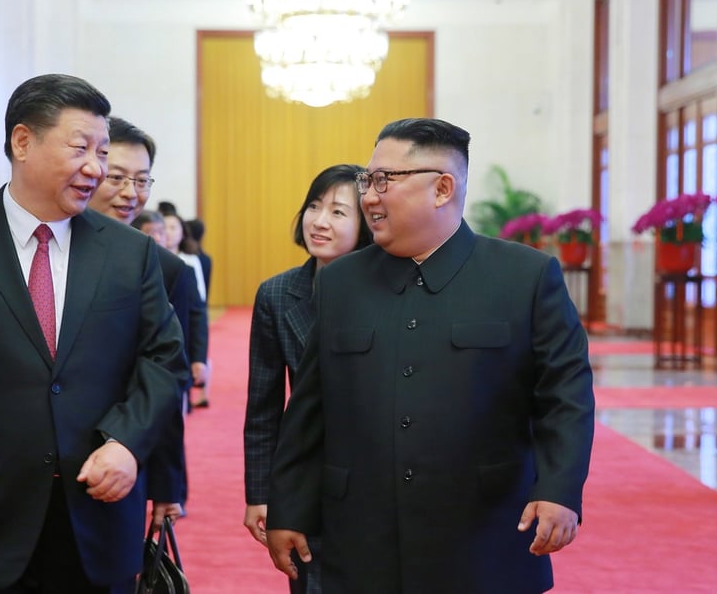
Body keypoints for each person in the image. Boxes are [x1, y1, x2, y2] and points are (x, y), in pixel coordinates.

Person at [0, 73, 188, 593]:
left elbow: (164, 361)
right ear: (23, 142)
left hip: (96, 515)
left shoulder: (129, 253)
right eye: (80, 148)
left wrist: (127, 442)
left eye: (102, 151)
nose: (96, 167)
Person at [265, 118, 595, 594]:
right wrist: (289, 507)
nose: (370, 197)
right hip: (363, 535)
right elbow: (311, 407)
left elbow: (566, 397)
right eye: (367, 180)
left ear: (442, 189)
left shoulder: (524, 276)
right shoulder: (340, 282)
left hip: (485, 533)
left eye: (384, 180)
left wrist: (559, 491)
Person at [243, 163, 372, 594]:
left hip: (382, 477)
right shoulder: (278, 295)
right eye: (314, 206)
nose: (318, 221)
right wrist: (260, 494)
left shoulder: (391, 292)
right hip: (310, 478)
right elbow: (263, 408)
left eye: (338, 212)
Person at [88, 115, 208, 518]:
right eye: (117, 178)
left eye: (141, 181)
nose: (129, 193)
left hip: (122, 450)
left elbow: (165, 381)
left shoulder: (166, 268)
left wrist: (167, 485)